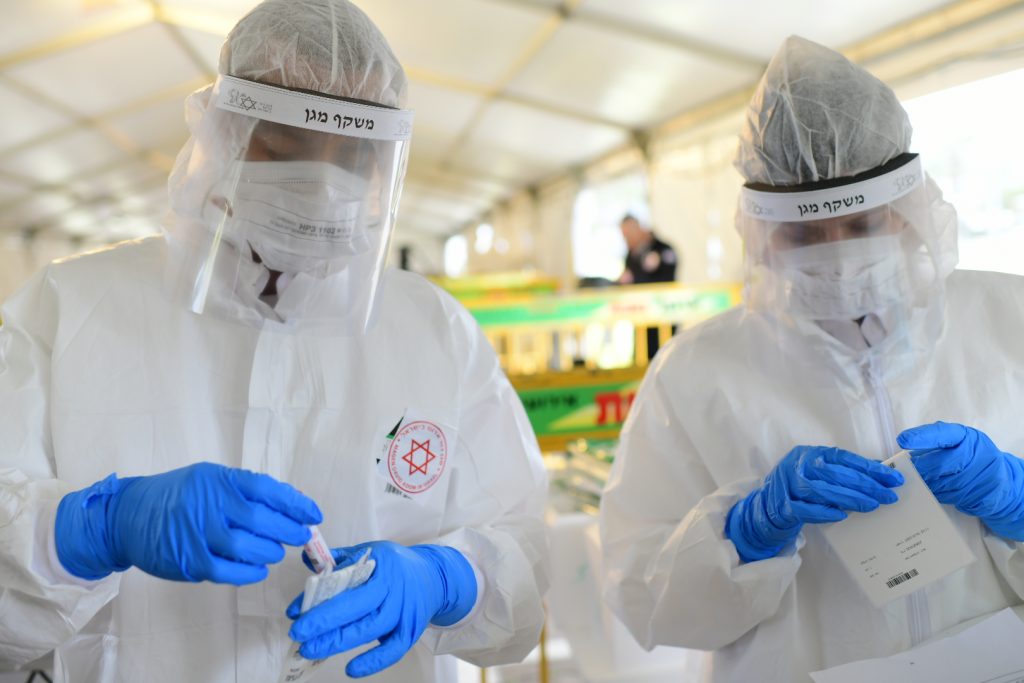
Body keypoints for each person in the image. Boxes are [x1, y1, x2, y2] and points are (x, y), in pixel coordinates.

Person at [0, 1, 548, 681]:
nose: (321, 180)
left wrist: (448, 577)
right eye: (285, 147)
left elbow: (523, 561)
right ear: (222, 133)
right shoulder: (68, 308)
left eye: (353, 155)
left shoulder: (434, 332)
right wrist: (88, 530)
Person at [599, 35, 1024, 682]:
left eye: (860, 225)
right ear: (762, 235)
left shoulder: (1007, 318)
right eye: (804, 234)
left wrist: (1015, 500)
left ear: (907, 211)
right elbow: (639, 592)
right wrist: (743, 533)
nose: (837, 254)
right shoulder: (696, 374)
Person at [617, 213, 678, 360]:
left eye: (628, 235)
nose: (627, 240)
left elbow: (669, 274)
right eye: (624, 236)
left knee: (665, 356)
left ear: (638, 229)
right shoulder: (632, 255)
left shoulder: (662, 249)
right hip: (641, 318)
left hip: (663, 316)